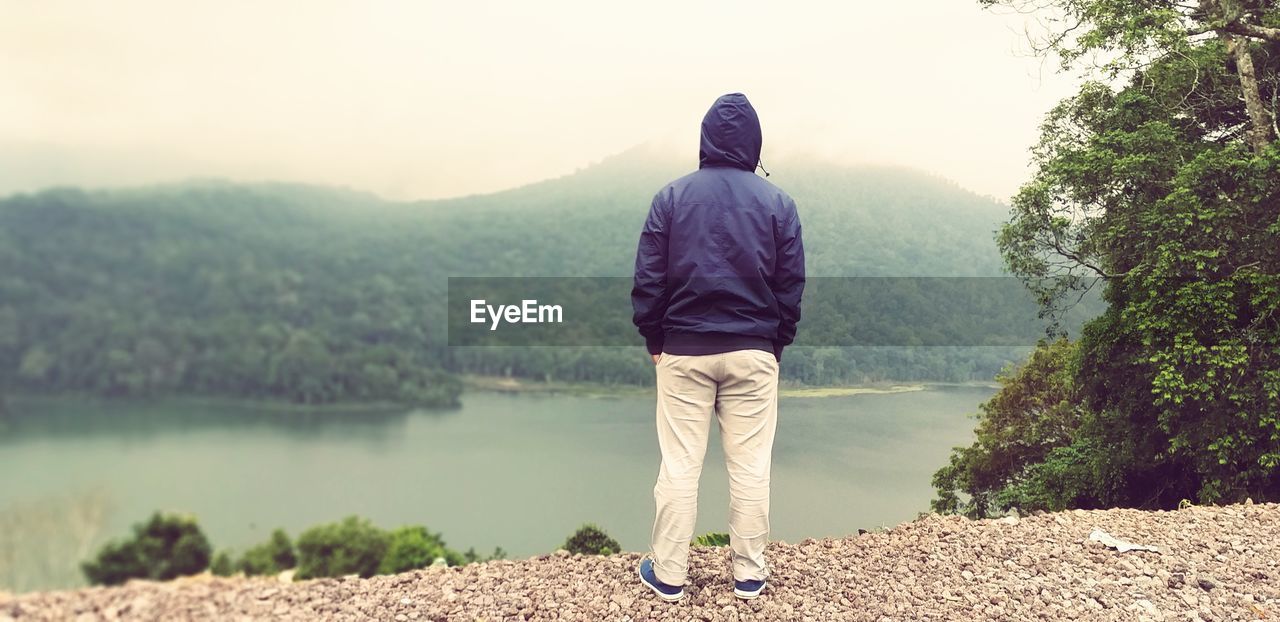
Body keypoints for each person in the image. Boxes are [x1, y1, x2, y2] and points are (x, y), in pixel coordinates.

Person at [631, 92, 805, 602]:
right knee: (750, 466)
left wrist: (655, 336)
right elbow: (790, 284)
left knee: (680, 464)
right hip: (753, 351)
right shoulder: (778, 204)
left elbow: (649, 280)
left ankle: (669, 575)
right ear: (754, 143)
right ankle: (749, 575)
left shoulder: (671, 197)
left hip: (683, 350)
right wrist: (775, 342)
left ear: (705, 139)